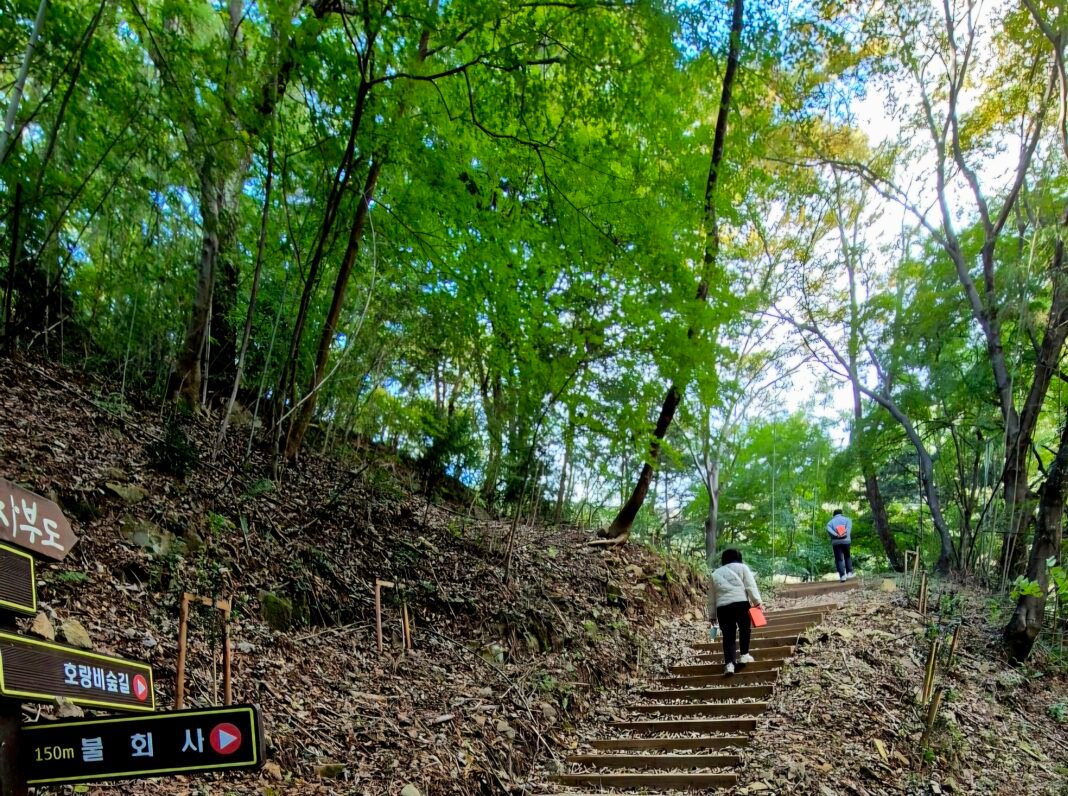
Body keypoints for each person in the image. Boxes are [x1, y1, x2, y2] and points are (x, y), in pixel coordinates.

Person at [708, 548, 764, 676]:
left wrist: (712, 615)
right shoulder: (742, 567)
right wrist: (757, 602)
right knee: (744, 629)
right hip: (741, 604)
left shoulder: (715, 573)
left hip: (723, 607)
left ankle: (729, 664)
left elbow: (711, 597)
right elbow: (750, 585)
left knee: (728, 636)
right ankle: (744, 655)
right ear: (738, 557)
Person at [826, 509, 855, 582]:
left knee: (839, 559)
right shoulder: (848, 520)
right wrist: (844, 534)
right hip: (846, 541)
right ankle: (849, 573)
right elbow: (848, 529)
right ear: (841, 513)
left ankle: (842, 576)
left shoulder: (830, 522)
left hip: (836, 542)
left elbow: (829, 530)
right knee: (847, 556)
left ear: (834, 515)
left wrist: (836, 535)